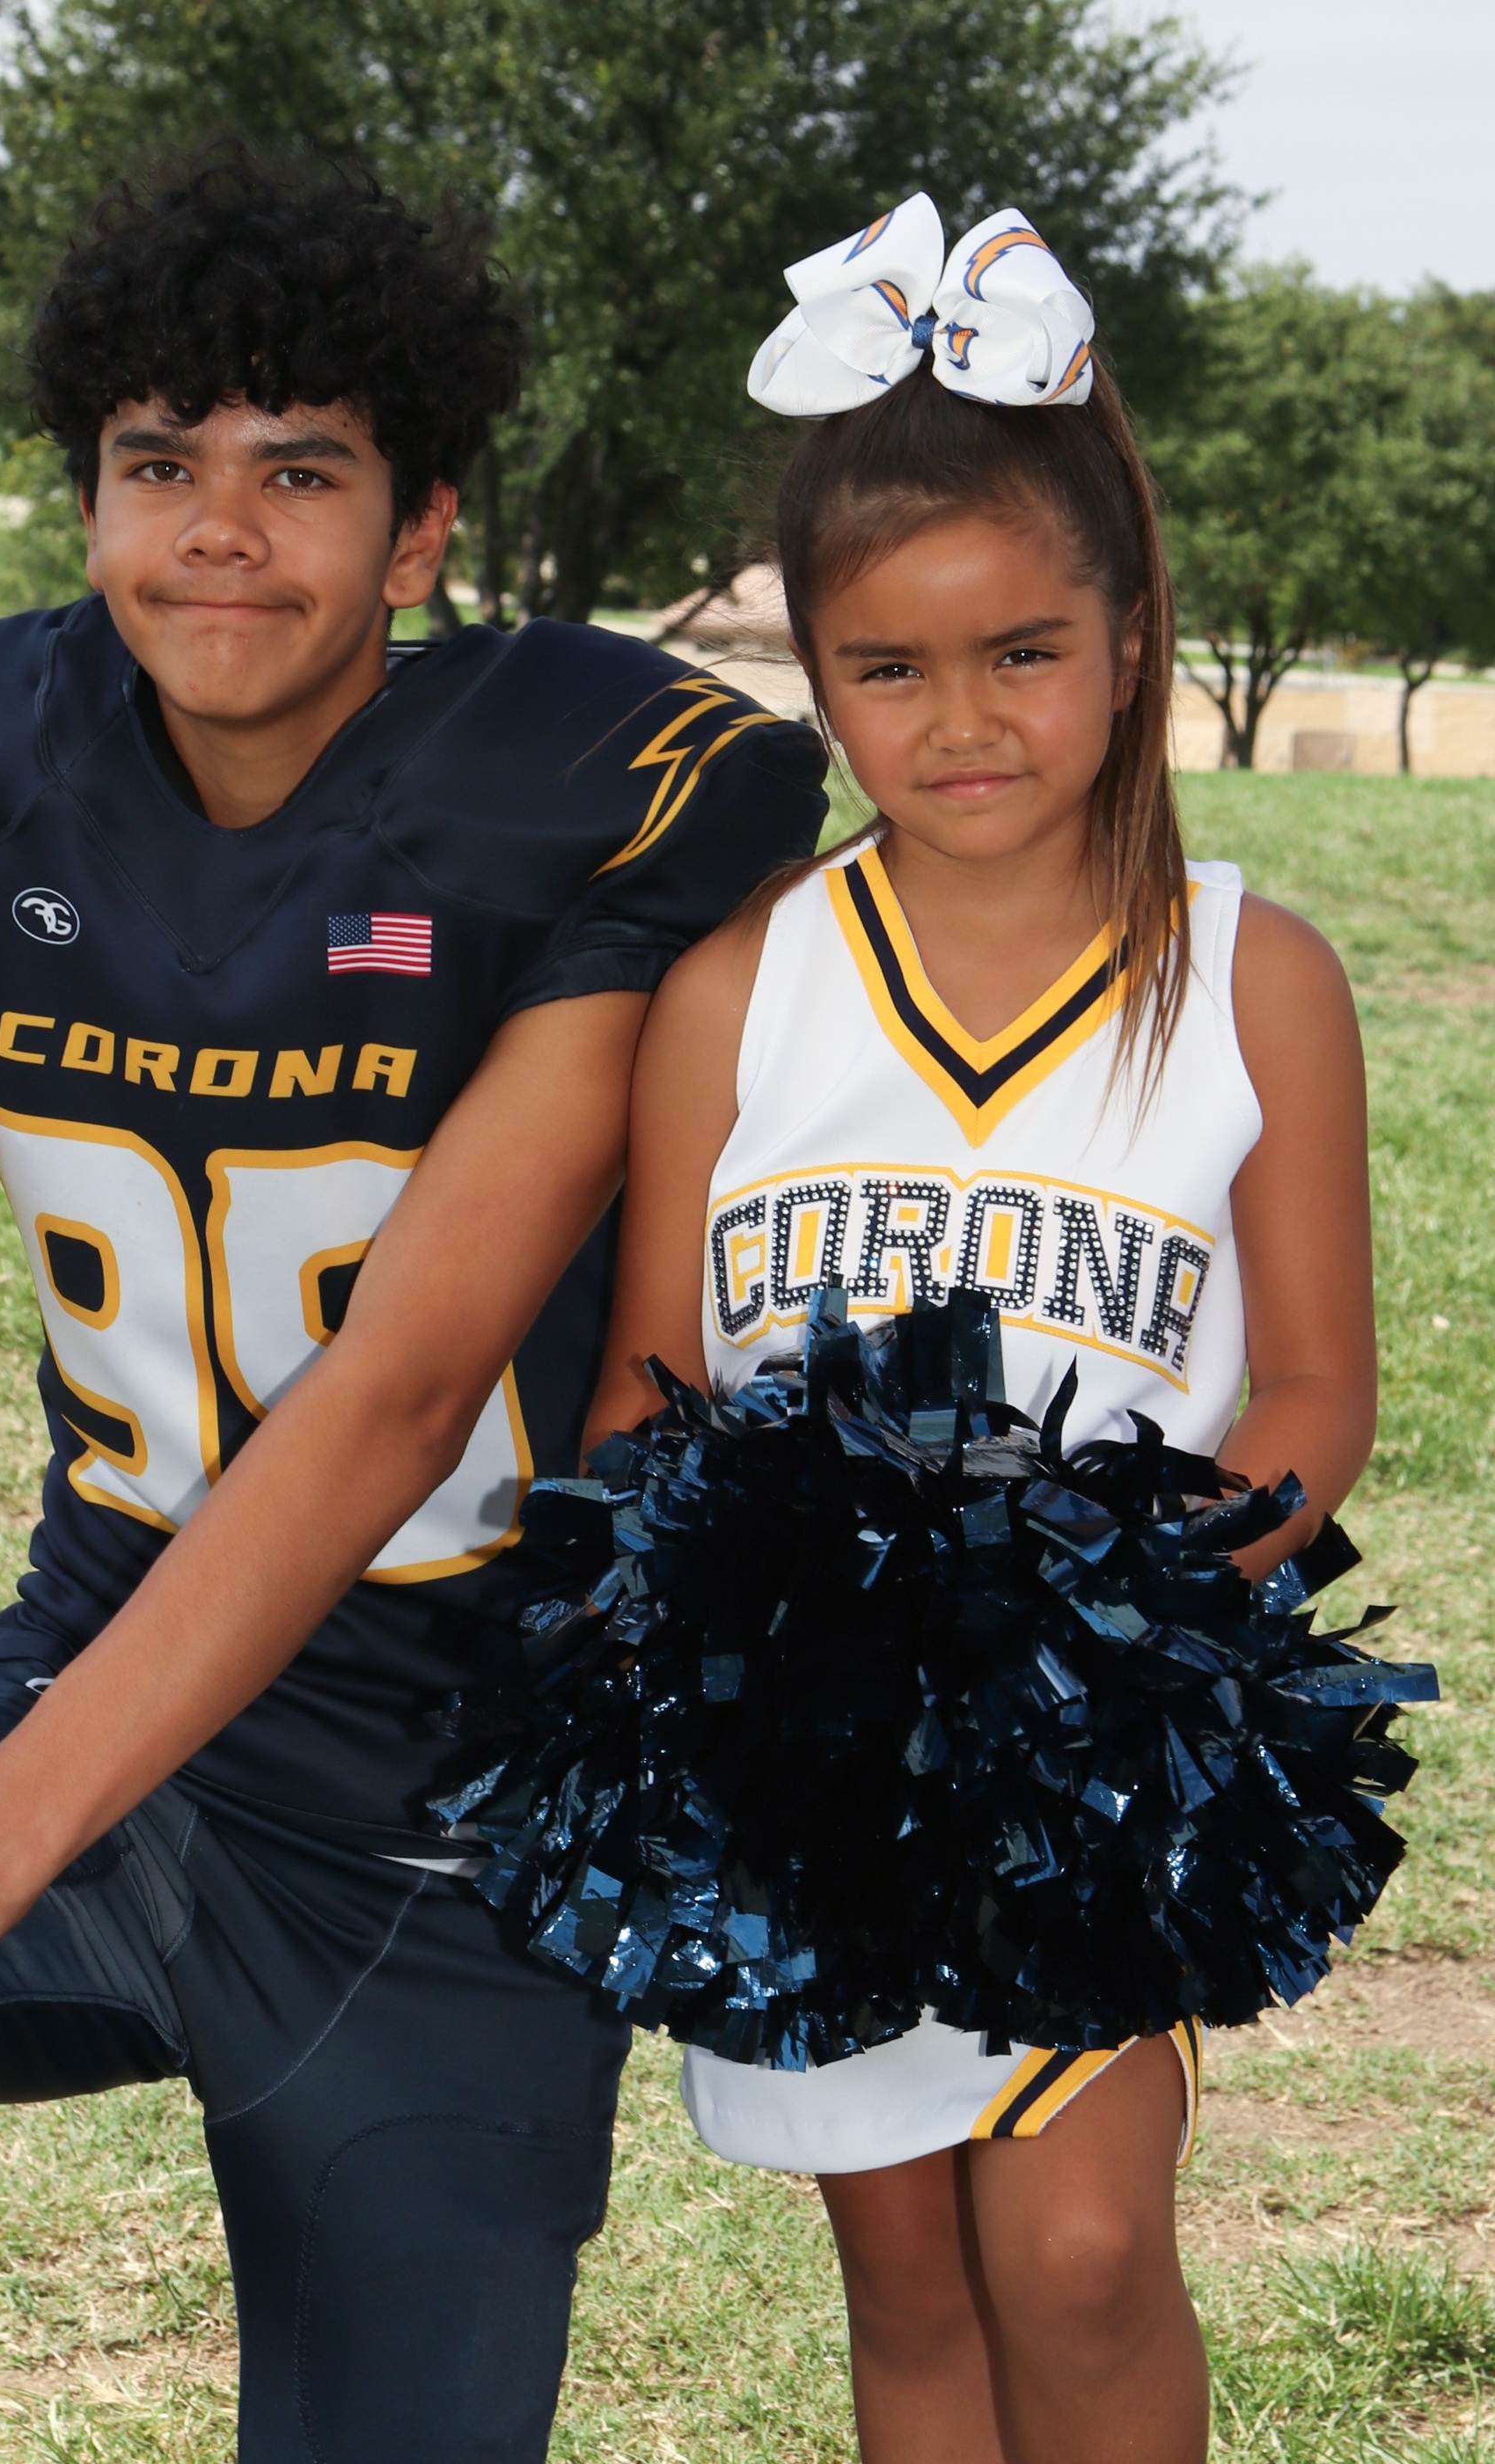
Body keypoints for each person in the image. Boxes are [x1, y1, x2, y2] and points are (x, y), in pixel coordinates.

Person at [0, 147, 828, 2464]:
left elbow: (402, 1392)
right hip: (103, 1680)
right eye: (160, 463)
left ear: (423, 529)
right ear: (87, 497)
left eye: (303, 470)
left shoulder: (555, 798)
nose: (221, 531)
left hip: (455, 1800)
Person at [579, 195, 1376, 2464]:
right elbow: (653, 1374)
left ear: (1129, 639)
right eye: (888, 668)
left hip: (1093, 1733)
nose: (961, 719)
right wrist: (730, 1613)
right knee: (915, 2276)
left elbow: (1321, 1385)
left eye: (1022, 649)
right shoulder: (742, 985)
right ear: (818, 680)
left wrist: (1126, 1609)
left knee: (1084, 2251)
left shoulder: (1252, 977)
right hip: (814, 1748)